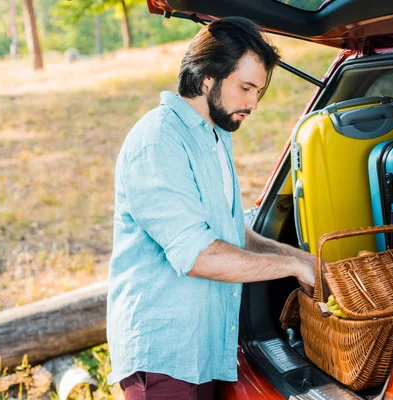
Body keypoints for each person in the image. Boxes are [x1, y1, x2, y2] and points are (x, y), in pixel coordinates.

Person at [106, 16, 317, 400]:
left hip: (206, 351)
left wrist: (303, 258)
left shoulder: (214, 137)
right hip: (165, 360)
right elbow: (199, 255)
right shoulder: (159, 142)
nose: (253, 103)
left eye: (259, 91)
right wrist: (292, 267)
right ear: (206, 78)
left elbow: (231, 233)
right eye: (246, 87)